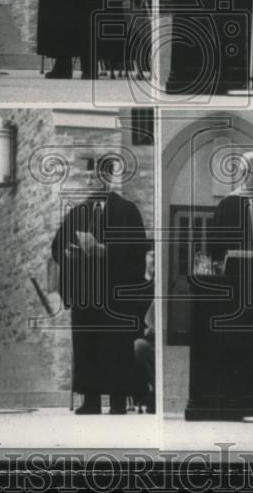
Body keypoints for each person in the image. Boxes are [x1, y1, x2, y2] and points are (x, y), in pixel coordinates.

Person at [50, 166, 148, 414]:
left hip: (115, 293)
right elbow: (56, 246)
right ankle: (90, 400)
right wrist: (67, 252)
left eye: (97, 177)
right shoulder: (78, 212)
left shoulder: (127, 210)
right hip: (85, 292)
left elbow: (137, 253)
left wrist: (104, 250)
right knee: (86, 345)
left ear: (109, 179)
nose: (91, 181)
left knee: (115, 346)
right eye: (88, 177)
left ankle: (117, 403)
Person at [133, 249, 156, 414]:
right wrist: (145, 331)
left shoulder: (162, 284)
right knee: (138, 346)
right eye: (150, 254)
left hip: (160, 339)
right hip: (145, 336)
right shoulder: (138, 285)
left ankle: (155, 393)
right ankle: (153, 391)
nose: (154, 257)